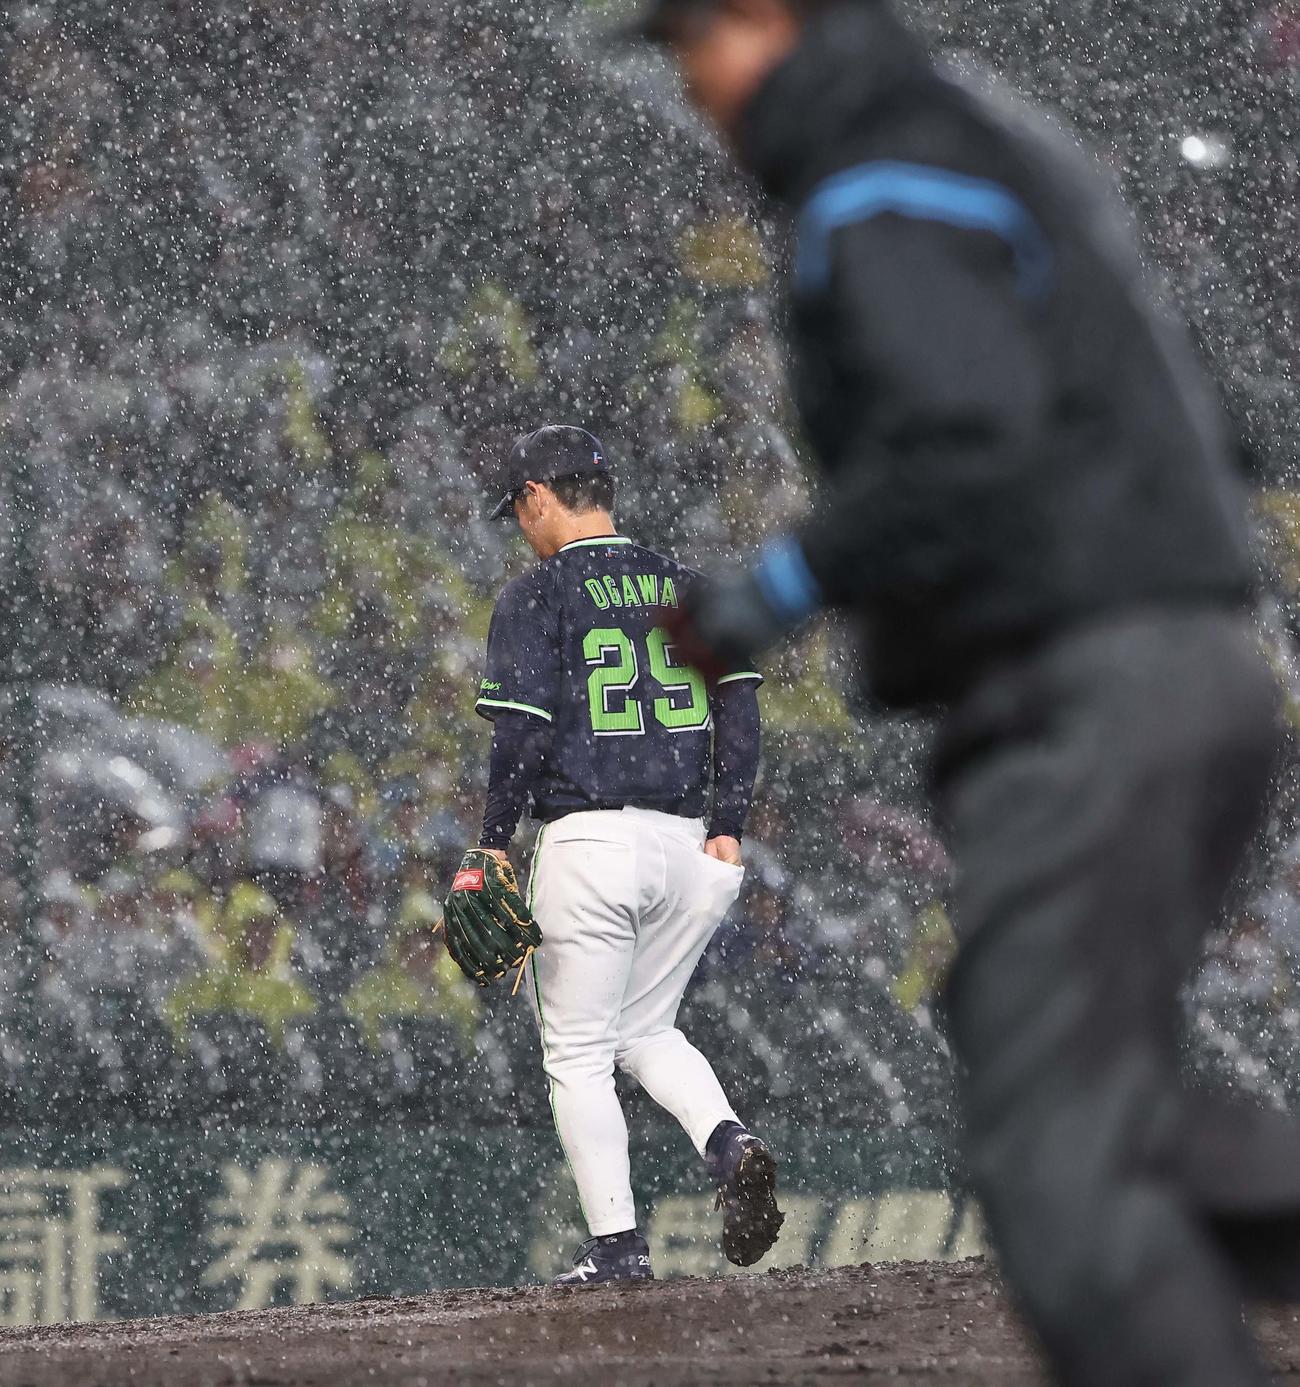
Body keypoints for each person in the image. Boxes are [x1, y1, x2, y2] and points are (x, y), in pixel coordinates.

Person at [622, 0, 1300, 1382]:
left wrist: (772, 590)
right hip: (1181, 667)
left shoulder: (880, 169)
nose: (691, 85)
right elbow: (1215, 410)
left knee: (1062, 1157)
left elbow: (966, 444)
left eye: (695, 42)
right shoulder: (984, 134)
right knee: (1079, 1098)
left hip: (1092, 689)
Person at [464, 423, 782, 1285]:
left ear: (538, 496)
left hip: (590, 840)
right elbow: (740, 710)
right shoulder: (691, 588)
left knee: (575, 1051)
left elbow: (522, 736)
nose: (519, 525)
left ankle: (617, 1246)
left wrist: (492, 841)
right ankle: (728, 1141)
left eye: (518, 507)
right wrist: (728, 821)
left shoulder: (538, 595)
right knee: (645, 1029)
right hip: (689, 847)